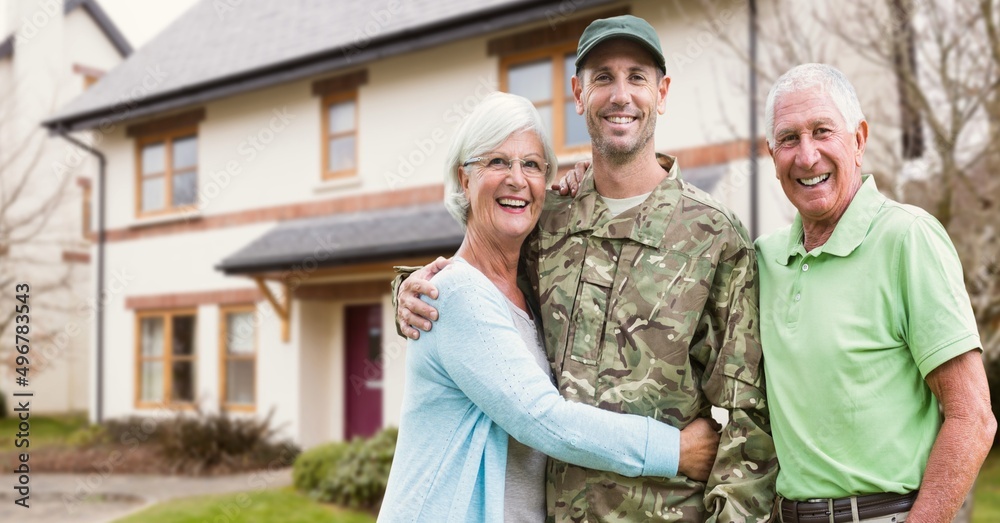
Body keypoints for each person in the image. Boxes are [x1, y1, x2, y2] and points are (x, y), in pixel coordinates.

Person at [395, 15, 777, 522]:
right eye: (602, 77)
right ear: (578, 94)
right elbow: (479, 284)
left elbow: (748, 416)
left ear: (661, 92)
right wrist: (408, 289)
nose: (621, 95)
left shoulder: (714, 235)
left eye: (637, 76)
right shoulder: (545, 223)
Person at [379, 92, 721, 523]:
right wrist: (677, 451)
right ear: (463, 179)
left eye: (532, 165)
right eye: (497, 162)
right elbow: (546, 420)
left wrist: (585, 191)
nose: (517, 179)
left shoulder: (526, 288)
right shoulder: (457, 293)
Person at [756, 63, 996, 523]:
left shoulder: (908, 238)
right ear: (772, 155)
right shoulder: (763, 261)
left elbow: (973, 418)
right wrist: (587, 183)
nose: (807, 157)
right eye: (789, 139)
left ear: (859, 140)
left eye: (822, 131)